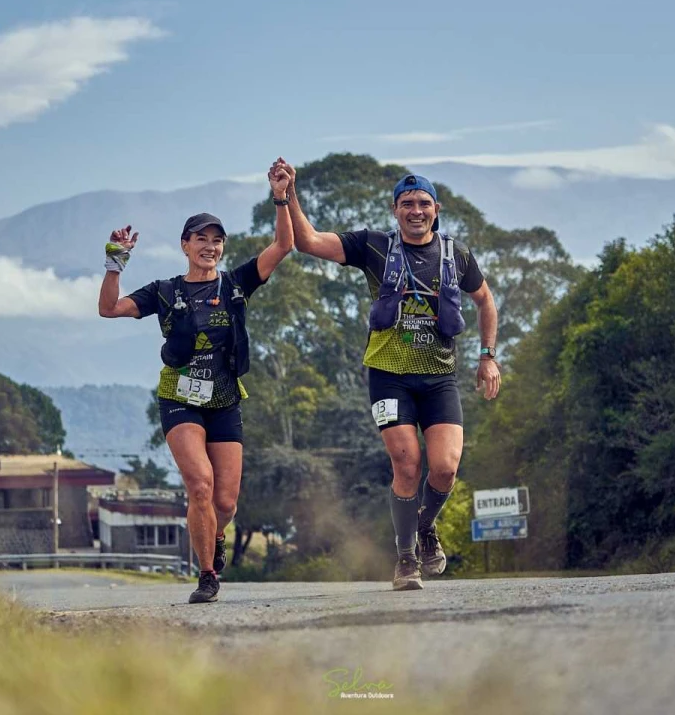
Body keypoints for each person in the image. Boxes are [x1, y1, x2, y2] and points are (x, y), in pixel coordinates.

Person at [277, 158, 501, 590]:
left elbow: (485, 302)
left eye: (422, 203)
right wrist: (287, 195)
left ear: (436, 209)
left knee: (446, 468)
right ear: (394, 210)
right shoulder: (373, 245)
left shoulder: (456, 255)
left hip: (439, 378)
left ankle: (424, 526)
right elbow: (307, 242)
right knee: (406, 463)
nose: (415, 211)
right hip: (388, 374)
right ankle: (405, 559)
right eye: (406, 204)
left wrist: (488, 357)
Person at [98, 163, 295, 603]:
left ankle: (214, 537)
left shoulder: (236, 284)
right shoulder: (165, 291)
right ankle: (207, 575)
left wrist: (281, 196)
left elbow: (284, 244)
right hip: (180, 396)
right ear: (185, 245)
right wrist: (116, 262)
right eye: (200, 239)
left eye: (216, 240)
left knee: (224, 502)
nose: (209, 247)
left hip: (224, 397)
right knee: (200, 486)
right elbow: (109, 309)